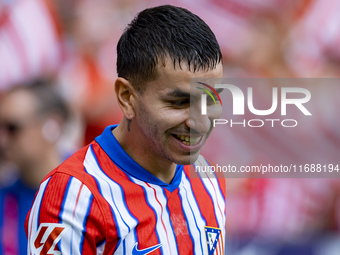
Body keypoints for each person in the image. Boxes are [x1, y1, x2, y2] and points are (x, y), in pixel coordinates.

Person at [25, 5, 225, 254]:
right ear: (127, 97)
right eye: (178, 102)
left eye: (211, 100)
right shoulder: (73, 195)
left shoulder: (207, 176)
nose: (200, 122)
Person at [0, 79, 69, 254]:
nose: (2, 140)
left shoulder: (91, 186)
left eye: (12, 128)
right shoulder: (5, 197)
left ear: (52, 126)